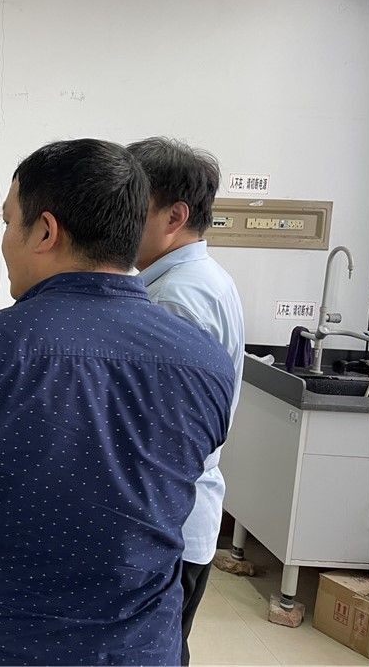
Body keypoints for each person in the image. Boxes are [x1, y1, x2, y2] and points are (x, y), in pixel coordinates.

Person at [0, 138, 236, 666]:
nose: (4, 241)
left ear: (45, 231)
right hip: (138, 650)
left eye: (7, 222)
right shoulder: (205, 360)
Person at [127, 137, 246, 666]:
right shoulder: (200, 280)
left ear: (174, 216)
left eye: (131, 206)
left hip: (167, 523)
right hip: (181, 517)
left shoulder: (175, 300)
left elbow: (160, 439)